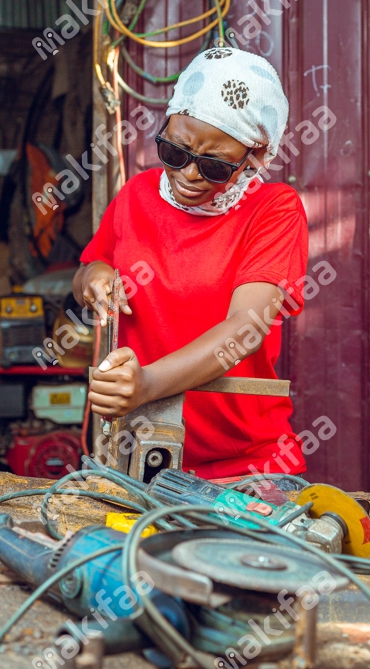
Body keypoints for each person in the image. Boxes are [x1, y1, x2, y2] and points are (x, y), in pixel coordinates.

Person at [73, 47, 309, 480]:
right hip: (142, 454)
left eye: (215, 166)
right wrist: (96, 278)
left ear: (254, 156)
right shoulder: (137, 195)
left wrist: (145, 385)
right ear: (165, 126)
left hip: (242, 463)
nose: (189, 175)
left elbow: (245, 329)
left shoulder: (274, 209)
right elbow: (91, 267)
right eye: (176, 152)